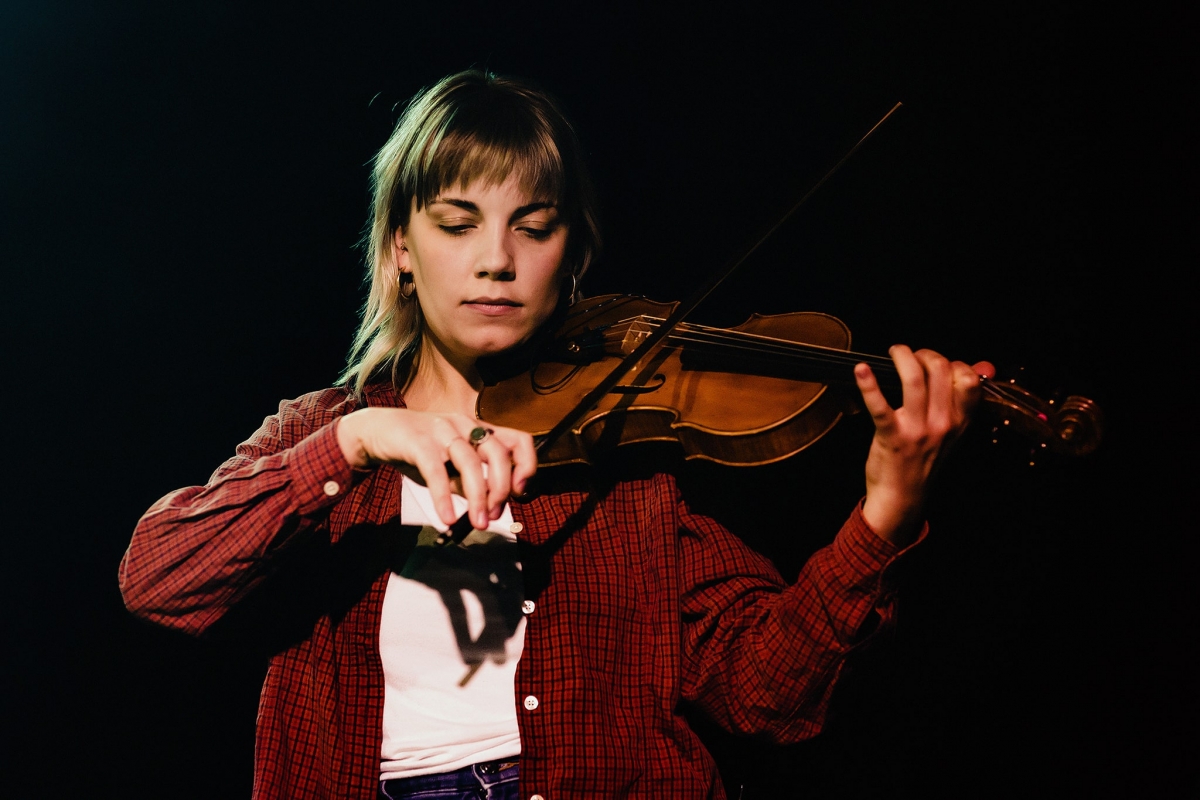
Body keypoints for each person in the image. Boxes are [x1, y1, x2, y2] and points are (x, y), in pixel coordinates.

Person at [120, 70, 993, 800]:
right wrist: (357, 441)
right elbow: (158, 579)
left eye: (532, 227)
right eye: (458, 225)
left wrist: (886, 508)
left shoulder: (624, 463)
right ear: (399, 249)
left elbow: (767, 694)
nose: (496, 258)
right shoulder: (325, 430)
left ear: (571, 252)